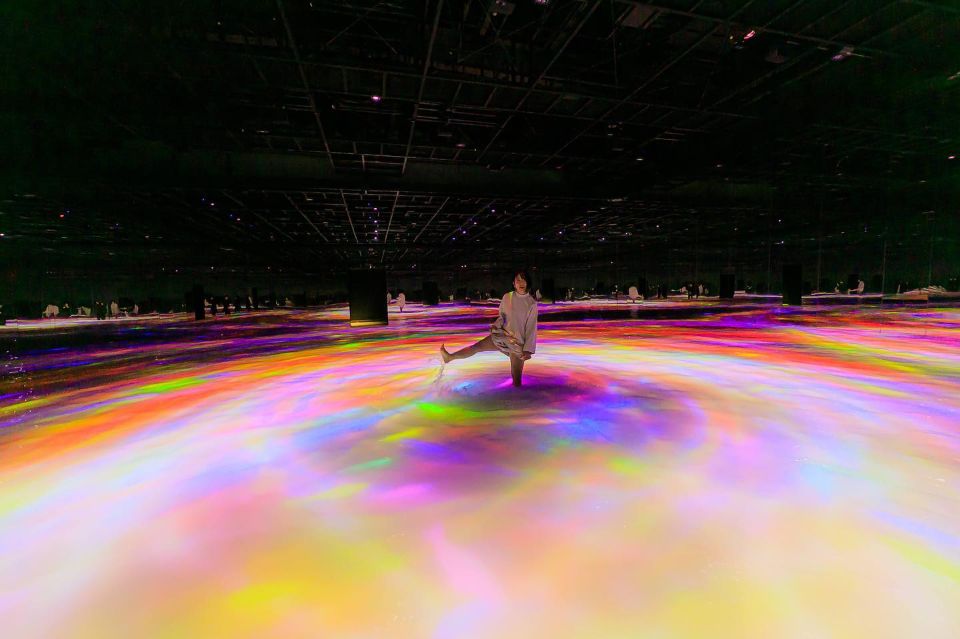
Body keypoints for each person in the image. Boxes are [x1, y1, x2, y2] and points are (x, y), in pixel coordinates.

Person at [440, 270, 538, 387]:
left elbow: (531, 328)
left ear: (528, 282)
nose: (521, 283)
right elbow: (502, 316)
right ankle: (449, 357)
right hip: (501, 336)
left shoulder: (531, 303)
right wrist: (496, 326)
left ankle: (518, 398)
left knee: (516, 381)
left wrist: (527, 350)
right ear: (513, 283)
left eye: (523, 280)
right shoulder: (507, 297)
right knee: (475, 347)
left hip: (517, 344)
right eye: (518, 280)